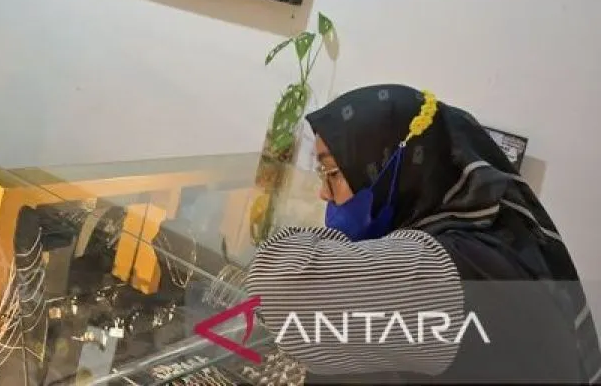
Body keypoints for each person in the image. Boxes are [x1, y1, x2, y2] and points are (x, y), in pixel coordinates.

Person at [245, 84, 601, 384]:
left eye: (333, 173)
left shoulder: (454, 267)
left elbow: (277, 284)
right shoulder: (486, 235)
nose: (324, 193)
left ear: (393, 169)